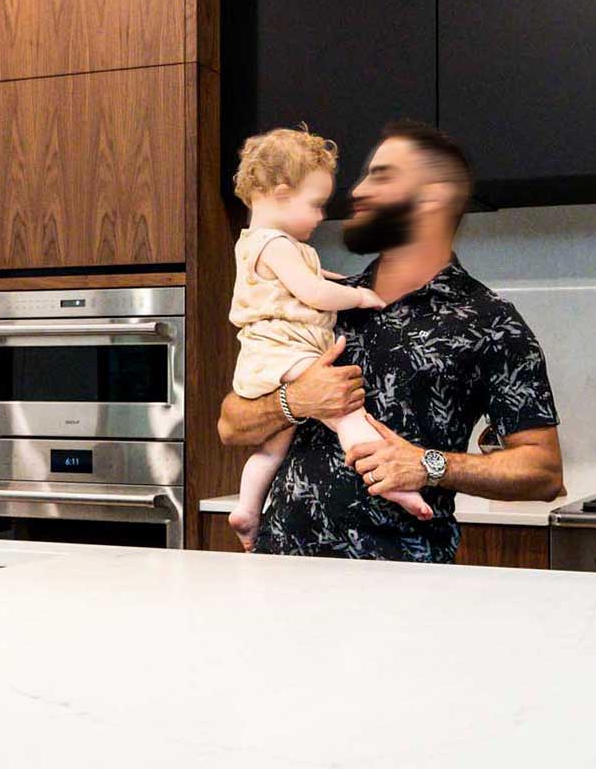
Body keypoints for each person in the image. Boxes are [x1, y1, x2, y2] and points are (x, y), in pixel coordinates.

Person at [216, 120, 566, 562]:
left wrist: (429, 465)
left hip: (400, 589)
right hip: (277, 573)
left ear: (433, 195)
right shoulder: (322, 301)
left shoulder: (491, 322)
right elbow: (231, 424)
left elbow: (544, 470)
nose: (358, 190)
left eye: (381, 176)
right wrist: (296, 401)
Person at [224, 126, 430, 551]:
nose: (321, 217)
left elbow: (308, 280)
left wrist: (327, 277)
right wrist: (357, 294)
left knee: (271, 450)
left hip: (265, 358)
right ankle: (389, 482)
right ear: (281, 193)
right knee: (346, 412)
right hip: (286, 353)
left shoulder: (258, 245)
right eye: (316, 204)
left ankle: (247, 510)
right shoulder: (276, 245)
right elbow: (313, 292)